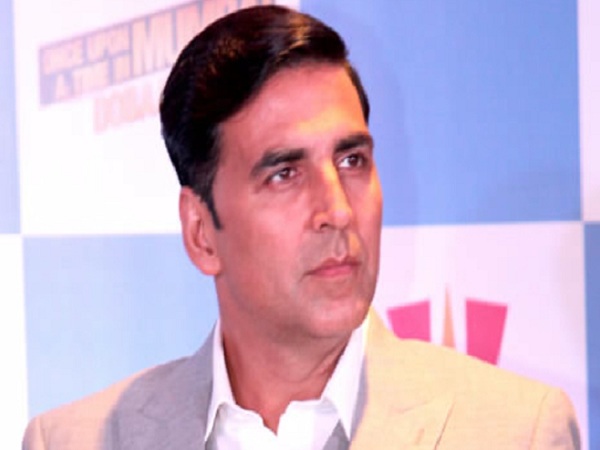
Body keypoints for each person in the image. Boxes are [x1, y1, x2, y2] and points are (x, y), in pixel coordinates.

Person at [23, 5, 580, 450]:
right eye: (284, 173)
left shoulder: (517, 432)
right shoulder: (74, 441)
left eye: (352, 160)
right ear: (201, 233)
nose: (337, 209)